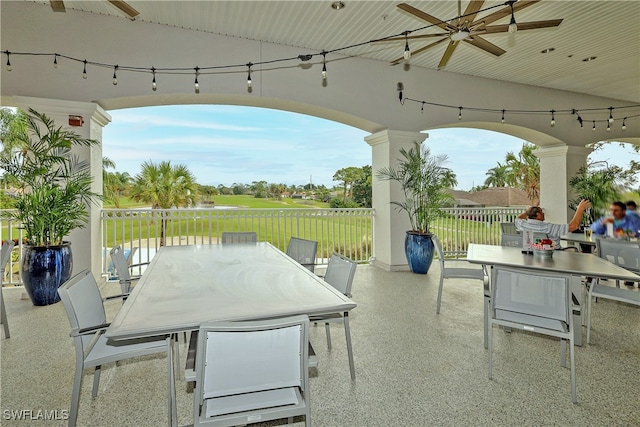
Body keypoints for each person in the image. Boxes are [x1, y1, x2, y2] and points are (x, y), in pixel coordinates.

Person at [515, 199, 591, 249]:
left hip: (533, 256)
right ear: (538, 215)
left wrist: (528, 212)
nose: (544, 213)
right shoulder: (548, 228)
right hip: (553, 256)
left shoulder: (522, 224)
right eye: (542, 212)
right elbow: (574, 226)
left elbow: (517, 219)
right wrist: (580, 208)